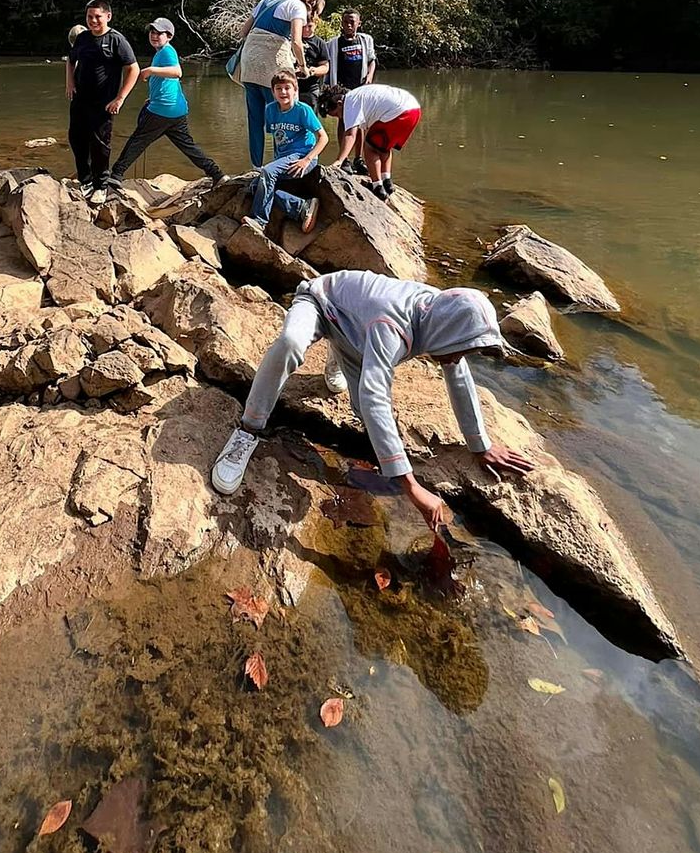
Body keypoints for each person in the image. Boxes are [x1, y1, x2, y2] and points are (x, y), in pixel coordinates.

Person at [211, 272, 534, 523]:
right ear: (449, 332)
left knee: (366, 417)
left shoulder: (443, 312)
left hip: (358, 332)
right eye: (462, 348)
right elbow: (375, 396)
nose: (459, 356)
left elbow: (459, 376)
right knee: (291, 344)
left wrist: (481, 444)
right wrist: (411, 485)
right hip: (322, 302)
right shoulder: (391, 324)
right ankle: (247, 430)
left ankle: (337, 353)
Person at [111, 18, 224, 184]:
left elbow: (177, 72)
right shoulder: (161, 52)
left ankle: (115, 176)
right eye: (152, 32)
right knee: (188, 147)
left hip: (162, 110)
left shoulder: (167, 51)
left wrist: (150, 70)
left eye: (159, 33)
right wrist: (152, 98)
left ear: (169, 36)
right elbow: (167, 81)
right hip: (176, 110)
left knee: (137, 141)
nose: (154, 36)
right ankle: (217, 174)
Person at [234, 0, 324, 167]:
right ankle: (281, 164)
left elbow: (243, 32)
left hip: (249, 63)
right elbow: (297, 43)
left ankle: (256, 167)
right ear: (312, 4)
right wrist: (303, 67)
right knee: (284, 115)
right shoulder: (297, 6)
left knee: (255, 120)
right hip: (271, 64)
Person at [66, 0, 139, 200]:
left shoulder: (117, 40)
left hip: (103, 103)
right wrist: (70, 84)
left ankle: (101, 185)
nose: (93, 21)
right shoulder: (82, 38)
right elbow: (71, 61)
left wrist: (120, 98)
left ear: (108, 16)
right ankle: (86, 180)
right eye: (90, 17)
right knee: (76, 139)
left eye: (97, 16)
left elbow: (133, 69)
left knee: (100, 145)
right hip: (80, 99)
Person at [244, 71, 327, 237]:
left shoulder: (303, 110)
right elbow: (276, 138)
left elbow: (323, 138)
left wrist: (307, 159)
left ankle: (260, 221)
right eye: (278, 88)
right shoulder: (270, 110)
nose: (283, 92)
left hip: (303, 156)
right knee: (256, 187)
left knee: (266, 172)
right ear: (273, 92)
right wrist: (276, 163)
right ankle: (302, 207)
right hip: (285, 158)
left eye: (287, 88)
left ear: (295, 90)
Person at [320, 81, 420, 201]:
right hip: (414, 109)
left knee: (371, 148)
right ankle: (386, 181)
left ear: (339, 103)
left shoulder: (350, 102)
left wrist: (339, 161)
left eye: (337, 114)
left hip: (399, 111)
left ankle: (377, 187)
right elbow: (358, 132)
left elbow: (350, 135)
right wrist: (356, 158)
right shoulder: (358, 96)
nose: (339, 118)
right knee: (383, 147)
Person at [325, 10, 377, 171]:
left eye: (352, 22)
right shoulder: (333, 43)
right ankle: (344, 159)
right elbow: (328, 66)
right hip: (341, 89)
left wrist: (369, 76)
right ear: (342, 22)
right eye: (346, 21)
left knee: (360, 123)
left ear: (359, 23)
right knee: (343, 121)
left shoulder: (366, 40)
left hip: (360, 88)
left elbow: (372, 60)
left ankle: (358, 159)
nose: (348, 25)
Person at [296, 19, 329, 112]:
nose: (306, 30)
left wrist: (312, 71)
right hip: (291, 86)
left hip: (311, 88)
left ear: (315, 25)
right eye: (303, 26)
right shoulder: (293, 40)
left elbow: (325, 67)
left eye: (309, 26)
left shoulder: (320, 43)